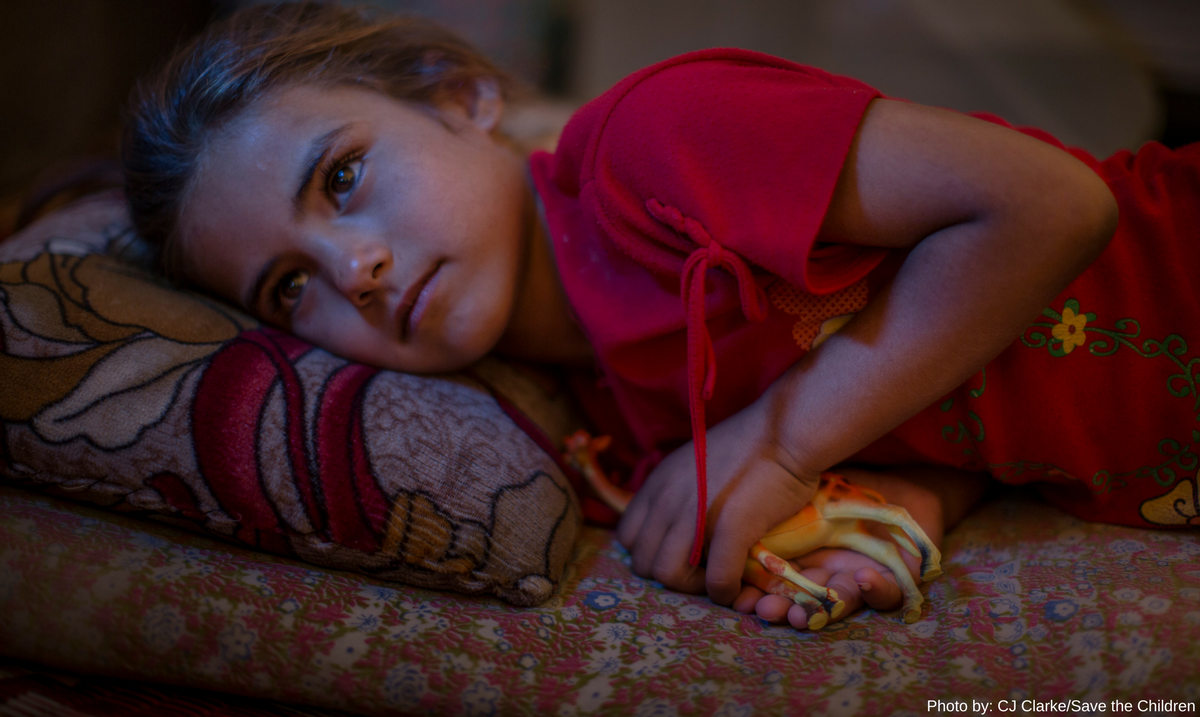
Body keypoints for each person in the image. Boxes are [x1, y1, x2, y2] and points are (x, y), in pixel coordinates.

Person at [121, 2, 1198, 630]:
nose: (352, 267)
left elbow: (1052, 206)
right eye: (286, 287)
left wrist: (781, 440)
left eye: (344, 176)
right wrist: (910, 500)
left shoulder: (652, 148)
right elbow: (945, 373)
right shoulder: (611, 427)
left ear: (459, 97)